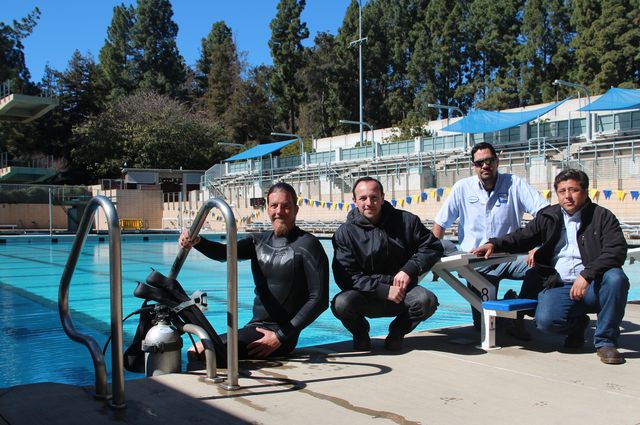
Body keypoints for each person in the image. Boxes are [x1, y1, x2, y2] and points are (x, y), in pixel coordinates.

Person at [471, 169, 629, 364]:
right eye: (562, 191)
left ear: (585, 192)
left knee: (616, 279)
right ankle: (577, 325)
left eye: (573, 190)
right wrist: (494, 244)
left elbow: (616, 250)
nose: (567, 196)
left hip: (593, 284)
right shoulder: (549, 216)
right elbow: (523, 236)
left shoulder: (602, 216)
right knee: (545, 323)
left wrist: (587, 275)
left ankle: (606, 342)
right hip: (561, 284)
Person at [179, 182, 329, 362]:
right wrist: (197, 241)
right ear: (267, 209)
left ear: (295, 209)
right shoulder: (257, 242)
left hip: (281, 336)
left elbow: (319, 300)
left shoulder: (308, 245)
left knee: (201, 351)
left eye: (286, 206)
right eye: (274, 206)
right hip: (255, 328)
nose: (279, 211)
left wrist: (280, 336)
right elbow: (224, 253)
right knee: (198, 348)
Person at [432, 142, 548, 335]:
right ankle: (509, 311)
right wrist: (433, 255)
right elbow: (440, 224)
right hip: (476, 263)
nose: (485, 165)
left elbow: (545, 213)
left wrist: (542, 246)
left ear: (497, 161)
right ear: (473, 166)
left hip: (510, 257)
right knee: (484, 328)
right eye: (480, 163)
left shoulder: (514, 184)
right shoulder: (462, 188)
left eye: (489, 160)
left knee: (544, 263)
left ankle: (519, 310)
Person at [331, 177, 443, 351]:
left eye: (374, 197)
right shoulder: (345, 234)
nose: (369, 203)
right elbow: (347, 277)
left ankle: (397, 332)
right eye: (363, 198)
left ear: (383, 198)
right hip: (366, 295)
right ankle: (361, 334)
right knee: (341, 304)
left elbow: (433, 247)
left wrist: (409, 269)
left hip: (402, 293)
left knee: (426, 300)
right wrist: (383, 290)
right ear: (354, 202)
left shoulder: (406, 221)